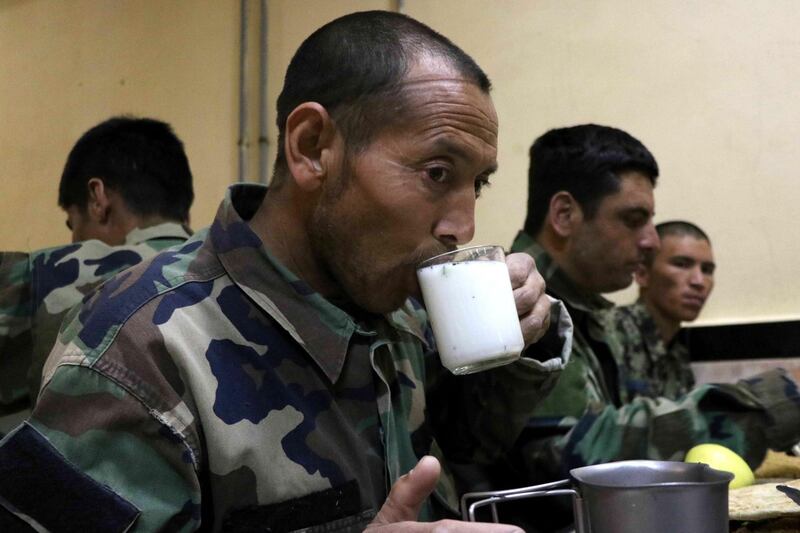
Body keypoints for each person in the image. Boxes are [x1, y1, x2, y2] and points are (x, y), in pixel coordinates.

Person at [0, 11, 572, 532]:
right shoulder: (137, 352)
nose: (463, 226)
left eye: (480, 182)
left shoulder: (399, 309)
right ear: (312, 146)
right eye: (438, 172)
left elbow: (467, 440)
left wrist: (520, 339)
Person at [502, 124, 800, 531]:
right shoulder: (517, 304)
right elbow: (571, 465)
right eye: (633, 219)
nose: (651, 242)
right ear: (564, 215)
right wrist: (779, 399)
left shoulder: (579, 312)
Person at [0, 116, 194, 423]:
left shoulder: (55, 275)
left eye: (72, 224)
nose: (73, 241)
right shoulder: (239, 272)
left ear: (98, 199)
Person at [611, 220, 716, 400]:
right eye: (681, 264)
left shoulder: (676, 356)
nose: (699, 281)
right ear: (642, 273)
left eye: (707, 270)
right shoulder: (609, 336)